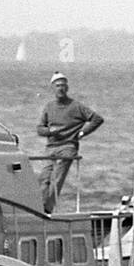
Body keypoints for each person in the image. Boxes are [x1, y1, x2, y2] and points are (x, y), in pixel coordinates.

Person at [37, 71, 103, 213]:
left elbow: (97, 119)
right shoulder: (49, 107)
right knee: (43, 179)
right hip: (50, 148)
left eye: (63, 85)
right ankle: (39, 208)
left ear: (67, 88)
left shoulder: (76, 106)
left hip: (67, 146)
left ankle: (47, 210)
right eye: (57, 85)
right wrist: (50, 131)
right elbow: (40, 129)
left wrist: (82, 132)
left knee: (57, 179)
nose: (60, 88)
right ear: (53, 88)